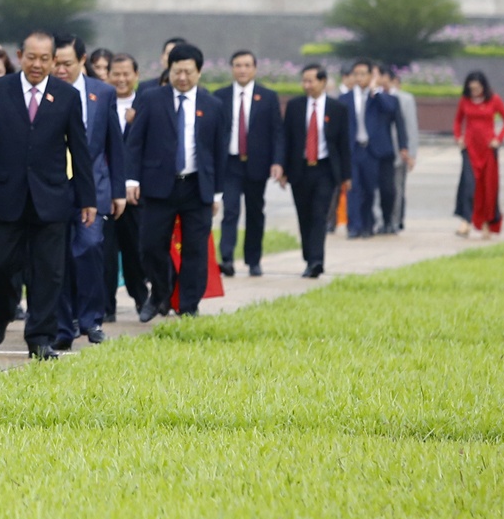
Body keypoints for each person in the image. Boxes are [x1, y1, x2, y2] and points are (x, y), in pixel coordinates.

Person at [0, 32, 93, 360]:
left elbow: (79, 149)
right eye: (31, 57)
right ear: (20, 55)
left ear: (53, 60)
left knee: (49, 271)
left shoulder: (66, 96)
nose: (38, 64)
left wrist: (87, 198)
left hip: (51, 197)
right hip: (6, 195)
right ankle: (3, 315)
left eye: (45, 58)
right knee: (2, 266)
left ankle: (40, 337)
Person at [126, 43, 227, 320]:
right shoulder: (150, 98)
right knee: (150, 246)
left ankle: (189, 306)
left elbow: (219, 152)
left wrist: (218, 193)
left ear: (199, 72)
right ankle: (159, 293)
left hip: (197, 187)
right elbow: (135, 143)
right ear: (168, 71)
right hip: (159, 185)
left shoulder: (214, 105)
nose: (182, 77)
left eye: (188, 72)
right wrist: (131, 179)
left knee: (195, 250)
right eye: (176, 71)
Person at [51, 35, 125, 349]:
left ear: (83, 61)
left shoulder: (102, 93)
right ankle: (61, 322)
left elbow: (114, 145)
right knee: (58, 256)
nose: (60, 70)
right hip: (53, 187)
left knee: (90, 249)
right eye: (56, 64)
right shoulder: (45, 92)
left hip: (92, 187)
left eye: (67, 64)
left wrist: (118, 190)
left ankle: (91, 319)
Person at [278, 64, 349, 277]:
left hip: (325, 170)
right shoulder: (295, 106)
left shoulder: (337, 109)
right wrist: (282, 168)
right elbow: (286, 139)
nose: (306, 85)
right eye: (304, 81)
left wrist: (346, 175)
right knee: (304, 216)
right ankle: (309, 257)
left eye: (311, 81)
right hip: (299, 170)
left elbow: (344, 144)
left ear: (323, 82)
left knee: (319, 214)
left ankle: (317, 260)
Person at [215, 51, 282, 277]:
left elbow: (277, 133)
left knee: (255, 212)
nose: (242, 69)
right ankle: (226, 258)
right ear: (232, 68)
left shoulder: (268, 97)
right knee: (230, 210)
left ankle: (254, 260)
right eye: (237, 65)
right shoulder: (220, 96)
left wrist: (277, 162)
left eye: (246, 65)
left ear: (254, 68)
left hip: (256, 164)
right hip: (229, 163)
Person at [103, 53, 146, 321]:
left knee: (135, 250)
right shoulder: (99, 101)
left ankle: (142, 299)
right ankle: (106, 306)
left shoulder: (146, 104)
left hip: (135, 194)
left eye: (126, 74)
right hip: (104, 191)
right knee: (105, 252)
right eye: (115, 74)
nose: (121, 79)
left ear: (135, 76)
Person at [344, 60, 406, 238]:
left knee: (370, 189)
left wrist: (375, 91)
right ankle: (354, 226)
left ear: (372, 76)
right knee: (354, 189)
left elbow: (391, 109)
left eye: (364, 74)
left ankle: (368, 225)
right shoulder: (345, 99)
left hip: (374, 151)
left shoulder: (381, 98)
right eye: (356, 74)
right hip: (354, 149)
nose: (359, 77)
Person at [454, 72, 504, 239]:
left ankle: (487, 224)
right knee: (468, 186)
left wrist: (498, 139)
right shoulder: (464, 101)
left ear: (483, 87)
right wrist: (459, 137)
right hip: (470, 150)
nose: (474, 91)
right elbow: (458, 121)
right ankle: (466, 221)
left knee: (487, 188)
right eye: (471, 89)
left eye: (477, 88)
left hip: (487, 150)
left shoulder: (494, 99)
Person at [377, 65, 419, 231]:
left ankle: (395, 221)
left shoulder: (405, 99)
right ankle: (381, 221)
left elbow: (411, 127)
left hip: (399, 151)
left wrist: (411, 153)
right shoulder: (375, 97)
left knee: (397, 188)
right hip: (379, 151)